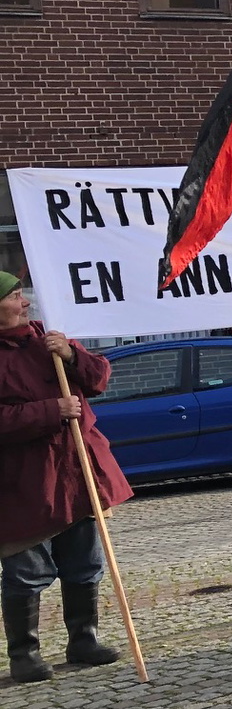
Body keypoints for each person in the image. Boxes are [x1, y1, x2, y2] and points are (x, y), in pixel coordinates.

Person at [0, 272, 127, 683]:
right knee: (26, 570)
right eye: (16, 296)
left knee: (84, 562)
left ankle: (83, 639)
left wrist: (72, 355)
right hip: (21, 483)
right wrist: (51, 411)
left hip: (76, 471)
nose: (26, 303)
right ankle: (25, 653)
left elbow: (99, 379)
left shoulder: (49, 340)